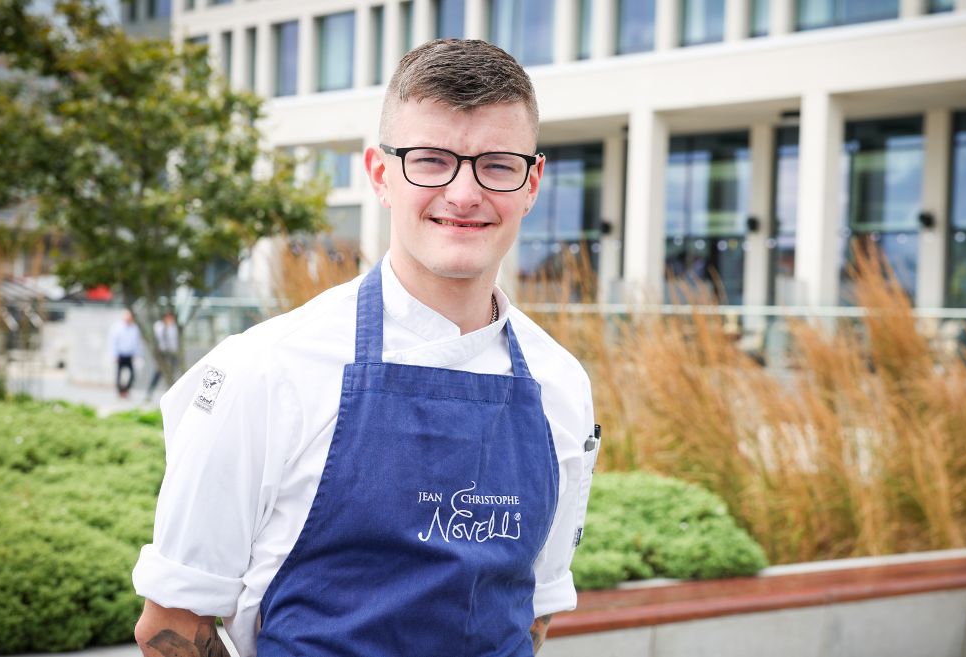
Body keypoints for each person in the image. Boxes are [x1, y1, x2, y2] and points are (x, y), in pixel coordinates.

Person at [132, 39, 599, 657]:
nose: (464, 194)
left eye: (497, 164)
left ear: (531, 182)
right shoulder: (264, 370)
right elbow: (173, 627)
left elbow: (534, 610)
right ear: (381, 174)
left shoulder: (561, 387)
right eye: (431, 160)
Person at [146, 311, 180, 401]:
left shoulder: (175, 327)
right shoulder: (159, 326)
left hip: (172, 353)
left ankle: (170, 393)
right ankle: (150, 392)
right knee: (158, 373)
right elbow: (158, 336)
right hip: (162, 354)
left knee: (172, 373)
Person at [110, 309, 142, 398]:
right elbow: (114, 342)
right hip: (120, 354)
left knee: (132, 375)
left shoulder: (135, 328)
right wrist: (114, 354)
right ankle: (120, 392)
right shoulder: (117, 327)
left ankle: (126, 390)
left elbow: (136, 342)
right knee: (119, 375)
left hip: (130, 355)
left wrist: (137, 354)